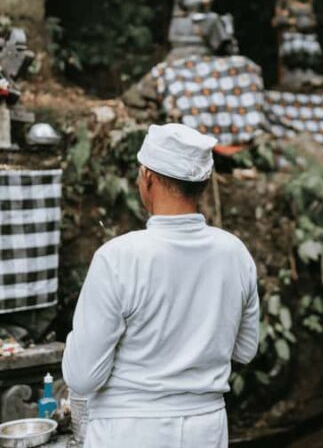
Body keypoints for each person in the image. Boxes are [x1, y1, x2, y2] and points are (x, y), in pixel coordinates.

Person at [62, 123, 260, 447]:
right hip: (206, 429)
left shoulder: (118, 257)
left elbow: (83, 377)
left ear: (147, 177)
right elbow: (245, 351)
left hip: (129, 431)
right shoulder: (235, 253)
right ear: (204, 184)